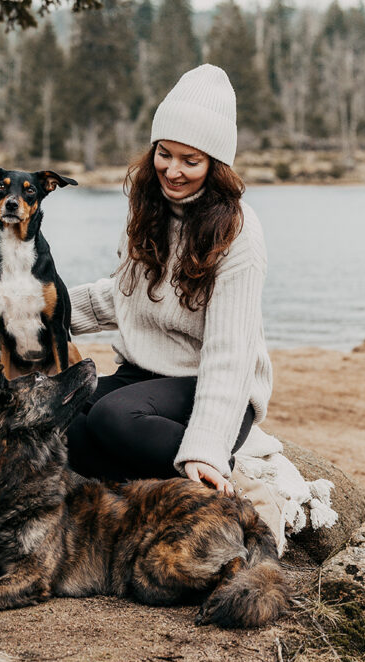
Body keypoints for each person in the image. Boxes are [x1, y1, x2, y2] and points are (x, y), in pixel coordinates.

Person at [65, 64, 271, 497]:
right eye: (164, 153)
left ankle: (207, 474)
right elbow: (127, 296)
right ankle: (144, 488)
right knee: (59, 412)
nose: (172, 170)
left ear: (215, 164)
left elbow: (230, 355)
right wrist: (45, 310)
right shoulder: (147, 210)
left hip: (209, 385)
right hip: (144, 376)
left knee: (112, 419)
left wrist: (206, 447)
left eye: (190, 160)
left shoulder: (237, 231)